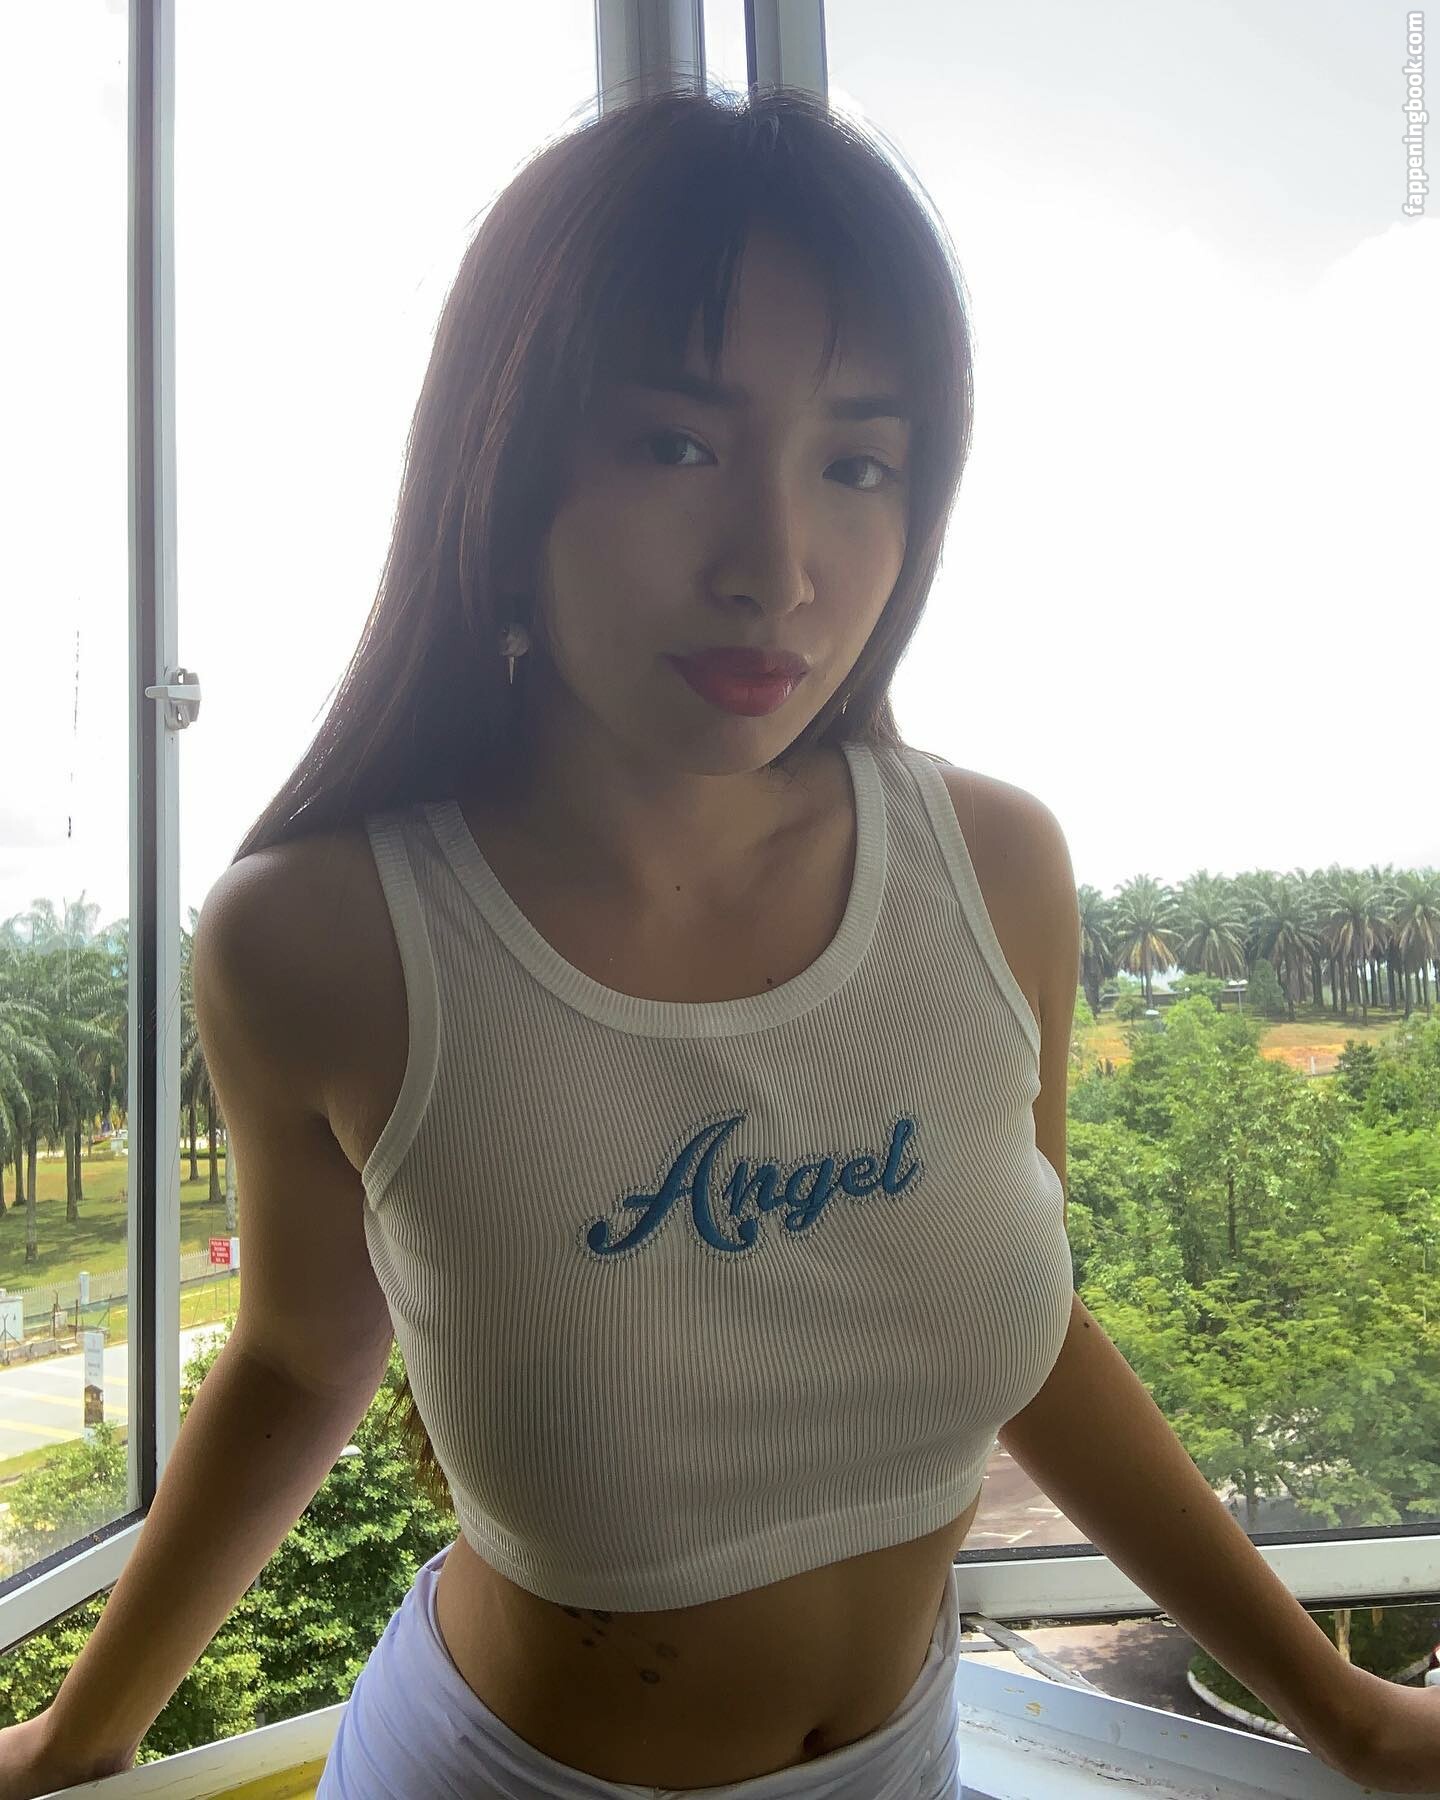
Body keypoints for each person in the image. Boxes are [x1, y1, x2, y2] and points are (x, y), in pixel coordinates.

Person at [10, 85, 1076, 1800]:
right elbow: (298, 1353)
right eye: (675, 446)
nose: (778, 568)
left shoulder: (993, 871)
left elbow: (1042, 1335)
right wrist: (84, 1734)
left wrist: (1339, 1711)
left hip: (905, 1766)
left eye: (858, 463)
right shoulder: (328, 938)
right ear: (504, 475)